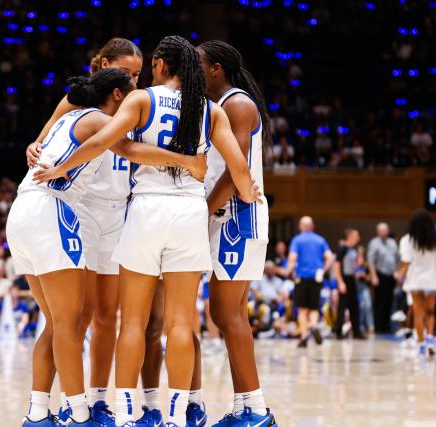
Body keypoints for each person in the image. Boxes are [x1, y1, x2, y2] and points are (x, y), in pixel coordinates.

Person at [33, 36, 260, 427]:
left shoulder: (142, 99)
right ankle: (176, 416)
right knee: (180, 323)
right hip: (190, 212)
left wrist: (60, 167)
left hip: (147, 209)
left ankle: (125, 414)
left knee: (134, 322)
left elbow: (105, 141)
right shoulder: (210, 109)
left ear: (159, 65)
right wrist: (249, 192)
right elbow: (239, 166)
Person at [9, 67, 210, 427]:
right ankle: (80, 413)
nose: (138, 90)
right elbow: (129, 149)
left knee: (55, 324)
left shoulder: (69, 117)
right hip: (52, 209)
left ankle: (38, 412)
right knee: (69, 323)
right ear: (117, 94)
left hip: (22, 211)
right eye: (132, 84)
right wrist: (188, 162)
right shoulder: (100, 120)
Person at [198, 39, 276, 427]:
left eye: (199, 64)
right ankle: (246, 406)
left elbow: (236, 171)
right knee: (230, 315)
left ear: (216, 69)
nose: (193, 70)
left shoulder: (238, 104)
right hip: (229, 216)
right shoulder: (221, 106)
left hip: (237, 219)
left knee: (226, 314)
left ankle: (256, 410)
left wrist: (201, 212)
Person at [395, 209, 436, 357]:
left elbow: (406, 262)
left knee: (419, 312)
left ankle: (421, 343)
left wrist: (398, 275)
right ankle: (430, 339)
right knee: (431, 312)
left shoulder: (407, 240)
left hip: (415, 280)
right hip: (432, 280)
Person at [286, 216, 334, 347]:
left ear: (300, 226)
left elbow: (292, 258)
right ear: (312, 226)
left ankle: (303, 338)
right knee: (313, 308)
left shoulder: (297, 240)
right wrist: (323, 270)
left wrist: (289, 271)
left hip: (301, 277)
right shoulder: (320, 240)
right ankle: (313, 325)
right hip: (316, 278)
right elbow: (330, 257)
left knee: (302, 309)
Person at [367, 222, 399, 333]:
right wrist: (373, 276)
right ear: (377, 232)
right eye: (381, 231)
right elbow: (371, 261)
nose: (383, 233)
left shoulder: (392, 242)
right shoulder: (374, 243)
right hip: (379, 275)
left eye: (385, 230)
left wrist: (397, 273)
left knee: (389, 301)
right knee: (379, 302)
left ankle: (386, 326)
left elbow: (397, 258)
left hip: (391, 276)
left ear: (388, 231)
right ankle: (378, 327)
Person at [334, 229, 365, 339]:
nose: (358, 238)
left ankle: (356, 331)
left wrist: (360, 255)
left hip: (352, 278)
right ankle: (338, 331)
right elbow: (336, 265)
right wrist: (340, 282)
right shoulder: (343, 248)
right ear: (350, 236)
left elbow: (358, 264)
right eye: (357, 236)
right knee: (342, 306)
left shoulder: (354, 250)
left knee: (354, 306)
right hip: (344, 278)